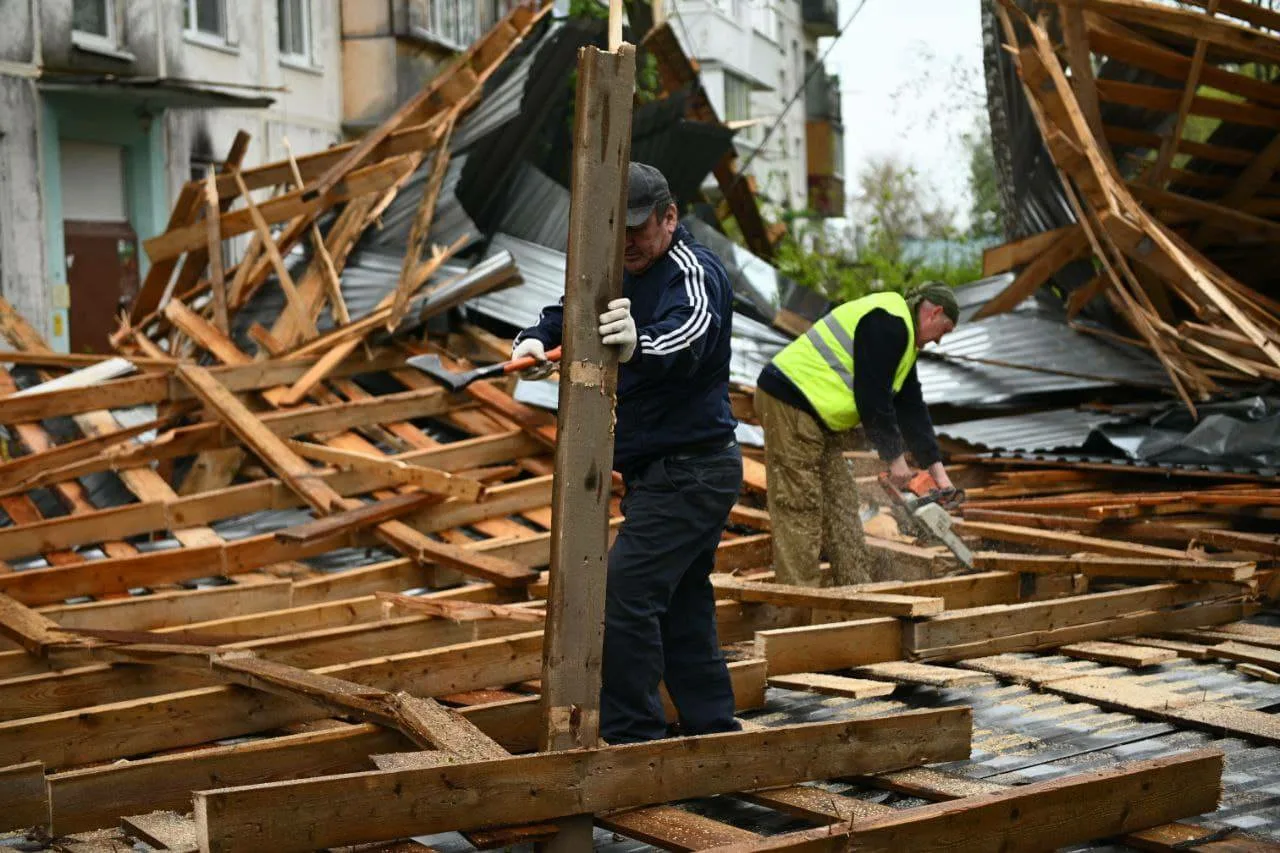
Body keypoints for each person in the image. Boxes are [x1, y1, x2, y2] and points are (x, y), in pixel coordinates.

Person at [511, 162, 742, 745]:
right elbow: (571, 307)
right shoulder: (617, 267)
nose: (627, 243)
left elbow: (691, 333)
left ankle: (634, 738)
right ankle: (713, 731)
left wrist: (641, 344)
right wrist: (536, 338)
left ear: (670, 218)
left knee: (622, 594)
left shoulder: (692, 270)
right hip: (660, 474)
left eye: (637, 228)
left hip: (695, 471)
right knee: (682, 603)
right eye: (617, 230)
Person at [753, 283, 960, 588]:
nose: (940, 340)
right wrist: (895, 461)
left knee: (842, 506)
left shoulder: (904, 342)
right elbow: (872, 398)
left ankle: (856, 591)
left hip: (818, 419)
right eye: (945, 329)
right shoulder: (888, 322)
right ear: (935, 313)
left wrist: (940, 476)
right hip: (790, 402)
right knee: (800, 505)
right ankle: (798, 603)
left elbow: (911, 409)